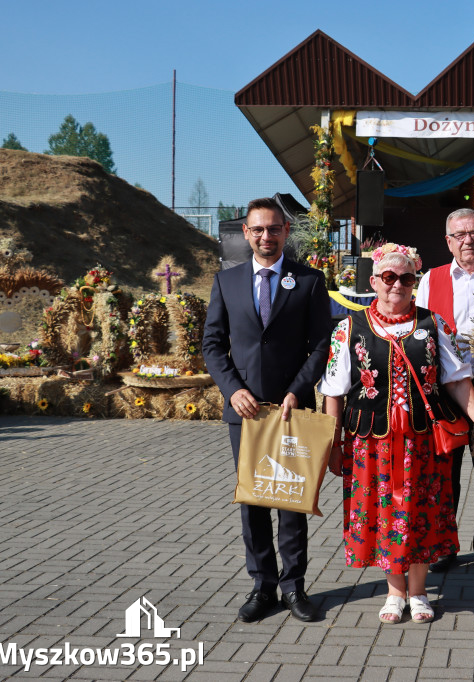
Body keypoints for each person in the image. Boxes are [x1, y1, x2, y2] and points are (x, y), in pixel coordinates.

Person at [319, 244, 474, 624]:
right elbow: (333, 394)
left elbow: (458, 383)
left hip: (422, 444)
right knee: (385, 514)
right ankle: (394, 591)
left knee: (421, 513)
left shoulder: (434, 325)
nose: (397, 285)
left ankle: (417, 592)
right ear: (373, 282)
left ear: (414, 282)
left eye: (405, 278)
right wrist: (332, 446)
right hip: (372, 444)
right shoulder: (349, 329)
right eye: (388, 278)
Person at [203, 197, 331, 623]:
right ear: (246, 233)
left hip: (293, 411)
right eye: (258, 229)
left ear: (285, 232)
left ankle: (295, 586)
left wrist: (298, 390)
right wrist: (232, 390)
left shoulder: (311, 281)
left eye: (274, 228)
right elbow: (212, 345)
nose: (266, 236)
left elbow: (321, 346)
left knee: (292, 500)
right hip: (246, 413)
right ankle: (263, 586)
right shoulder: (227, 282)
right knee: (254, 502)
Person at [416, 208, 474, 575]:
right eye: (460, 235)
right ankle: (444, 545)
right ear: (448, 241)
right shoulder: (430, 280)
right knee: (444, 473)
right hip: (445, 392)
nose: (468, 240)